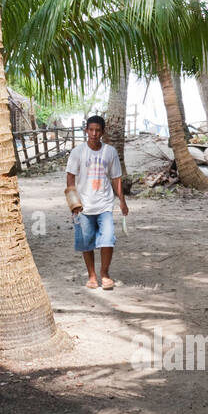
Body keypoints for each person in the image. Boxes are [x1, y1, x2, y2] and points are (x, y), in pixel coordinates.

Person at [66, 115, 128, 290]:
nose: (94, 133)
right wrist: (73, 203)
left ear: (103, 132)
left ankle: (105, 274)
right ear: (86, 130)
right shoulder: (77, 152)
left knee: (107, 239)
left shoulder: (110, 152)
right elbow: (70, 177)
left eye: (98, 130)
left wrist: (122, 201)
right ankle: (92, 276)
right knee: (87, 242)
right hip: (84, 206)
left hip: (105, 204)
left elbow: (116, 177)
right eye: (91, 130)